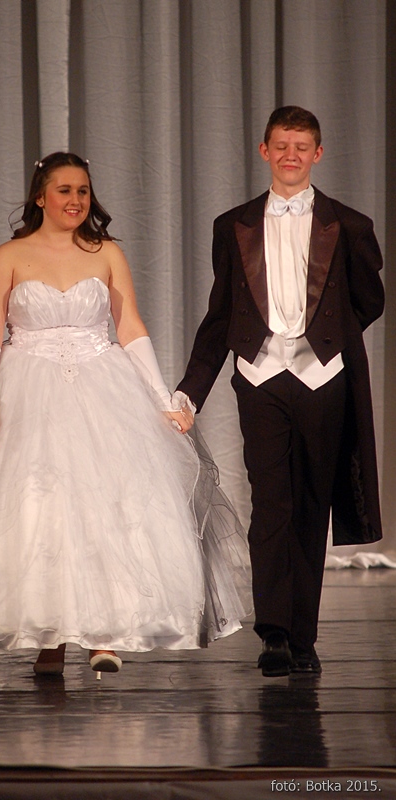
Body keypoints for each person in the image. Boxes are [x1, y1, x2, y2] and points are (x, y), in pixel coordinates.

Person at [0, 152, 251, 676]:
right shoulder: (9, 256)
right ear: (41, 196)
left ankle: (103, 634)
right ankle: (49, 637)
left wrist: (163, 398)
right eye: (65, 190)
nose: (75, 200)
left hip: (102, 385)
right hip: (29, 387)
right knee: (39, 510)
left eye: (83, 191)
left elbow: (130, 326)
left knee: (108, 503)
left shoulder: (106, 253)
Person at [176, 107, 384, 677]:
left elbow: (369, 299)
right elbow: (221, 314)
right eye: (282, 145)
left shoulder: (350, 224)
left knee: (312, 502)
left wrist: (326, 339)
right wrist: (191, 391)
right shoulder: (233, 224)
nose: (291, 155)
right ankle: (273, 631)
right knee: (271, 500)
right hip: (260, 374)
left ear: (318, 154)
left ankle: (303, 636)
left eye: (302, 146)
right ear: (264, 151)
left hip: (323, 376)